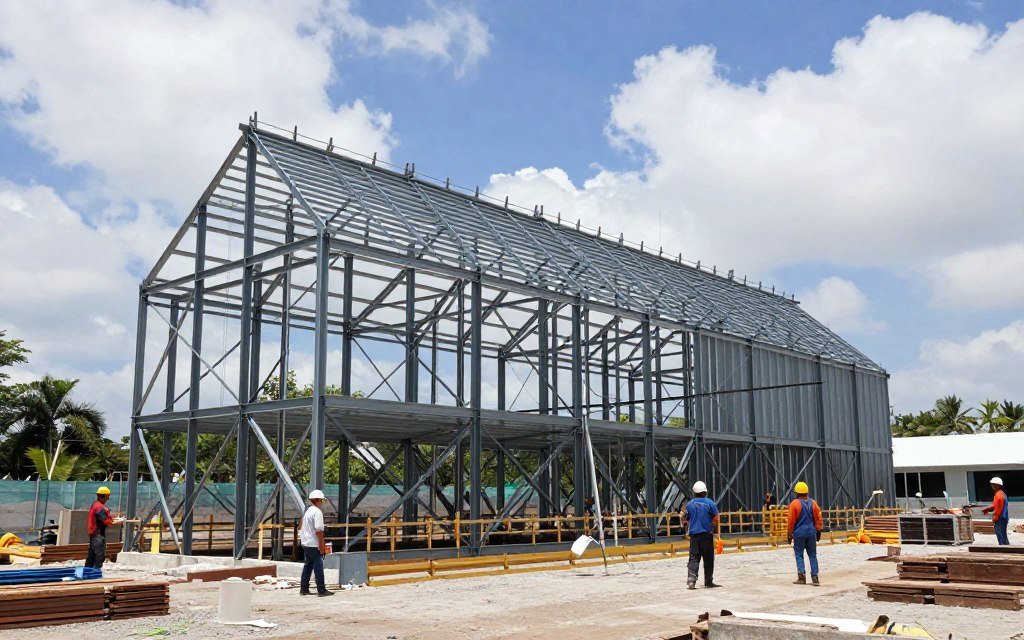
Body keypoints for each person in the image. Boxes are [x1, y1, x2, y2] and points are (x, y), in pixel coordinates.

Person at [681, 481, 721, 590]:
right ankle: (708, 581)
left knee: (694, 557)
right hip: (706, 535)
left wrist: (685, 527)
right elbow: (716, 519)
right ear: (705, 492)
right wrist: (716, 533)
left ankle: (691, 580)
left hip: (694, 536)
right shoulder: (709, 503)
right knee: (708, 558)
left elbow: (685, 519)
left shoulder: (689, 504)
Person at [299, 489, 334, 597]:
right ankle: (321, 590)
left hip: (305, 543)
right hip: (313, 544)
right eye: (322, 500)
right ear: (318, 500)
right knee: (318, 565)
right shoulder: (317, 512)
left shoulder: (308, 511)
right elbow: (319, 531)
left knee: (308, 565)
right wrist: (322, 546)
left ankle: (304, 589)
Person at [787, 481, 823, 586]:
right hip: (811, 533)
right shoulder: (813, 503)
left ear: (797, 493)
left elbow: (791, 520)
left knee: (799, 555)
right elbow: (818, 517)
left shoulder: (795, 504)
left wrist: (789, 534)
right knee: (812, 555)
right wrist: (818, 530)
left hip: (799, 534)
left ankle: (802, 577)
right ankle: (815, 578)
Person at [86, 486, 117, 570]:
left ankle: (87, 571)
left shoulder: (96, 505)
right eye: (107, 496)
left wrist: (113, 518)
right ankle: (95, 571)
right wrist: (115, 521)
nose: (108, 498)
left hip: (94, 534)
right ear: (104, 496)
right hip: (97, 534)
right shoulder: (99, 507)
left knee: (92, 555)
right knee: (100, 555)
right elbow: (106, 520)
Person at [982, 477, 1010, 546]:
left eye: (992, 485)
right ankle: (1008, 548)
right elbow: (996, 505)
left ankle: (1003, 550)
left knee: (1000, 535)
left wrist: (995, 518)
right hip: (1004, 517)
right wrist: (989, 508)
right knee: (1003, 535)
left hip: (1000, 518)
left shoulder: (998, 495)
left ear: (996, 485)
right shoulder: (1002, 494)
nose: (991, 486)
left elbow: (998, 509)